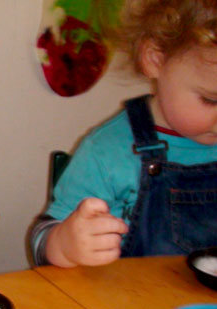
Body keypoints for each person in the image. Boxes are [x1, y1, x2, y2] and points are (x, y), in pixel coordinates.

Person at [30, 0, 217, 268]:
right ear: (155, 59)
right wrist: (64, 245)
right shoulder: (107, 152)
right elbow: (41, 238)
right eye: (211, 100)